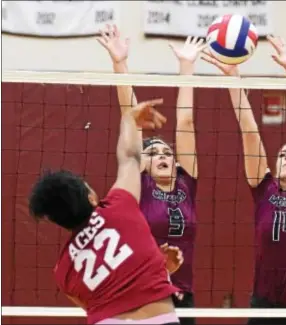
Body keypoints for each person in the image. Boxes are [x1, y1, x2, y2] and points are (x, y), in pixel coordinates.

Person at [202, 35, 286, 325]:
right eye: (283, 154)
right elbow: (250, 133)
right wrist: (234, 80)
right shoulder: (264, 190)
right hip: (265, 308)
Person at [29, 98, 185, 324]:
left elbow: (103, 303)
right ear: (91, 197)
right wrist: (130, 120)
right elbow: (129, 158)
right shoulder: (119, 206)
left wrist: (159, 270)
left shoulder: (63, 272)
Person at [97, 24, 205, 325]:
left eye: (166, 152)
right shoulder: (140, 185)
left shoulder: (187, 182)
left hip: (183, 295)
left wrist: (187, 67)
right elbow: (131, 117)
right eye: (153, 152)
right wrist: (120, 63)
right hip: (141, 295)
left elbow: (185, 122)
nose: (161, 155)